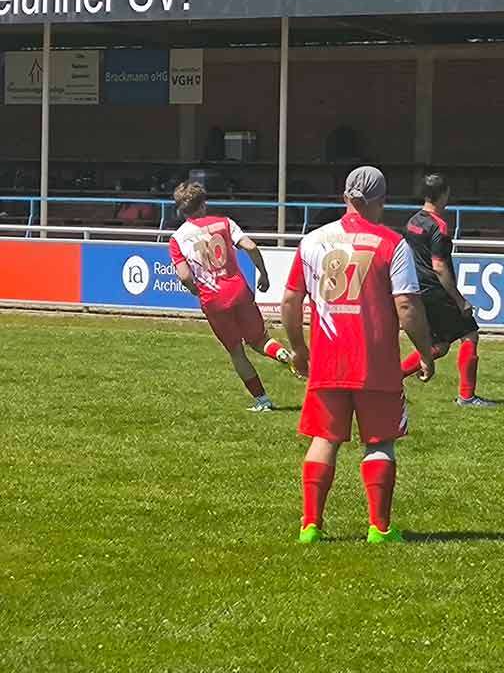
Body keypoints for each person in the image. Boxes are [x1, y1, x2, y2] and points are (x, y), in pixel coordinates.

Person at [281, 166, 437, 544]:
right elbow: (407, 306)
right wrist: (425, 351)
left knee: (324, 439)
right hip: (376, 361)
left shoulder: (313, 241)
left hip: (327, 359)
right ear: (381, 200)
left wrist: (299, 349)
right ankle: (379, 529)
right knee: (380, 442)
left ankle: (310, 526)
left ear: (344, 197)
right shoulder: (392, 244)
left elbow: (290, 300)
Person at [169, 181, 294, 412]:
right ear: (203, 204)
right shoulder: (224, 223)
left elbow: (184, 275)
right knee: (260, 340)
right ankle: (285, 355)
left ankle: (263, 400)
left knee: (236, 351)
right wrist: (263, 273)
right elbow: (251, 246)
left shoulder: (177, 238)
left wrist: (195, 289)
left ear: (181, 209)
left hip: (213, 300)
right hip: (239, 291)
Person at [400, 174, 495, 407]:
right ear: (444, 195)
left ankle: (390, 380)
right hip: (436, 290)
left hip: (418, 288)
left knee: (439, 346)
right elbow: (439, 267)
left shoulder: (412, 221)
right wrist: (460, 300)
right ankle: (467, 397)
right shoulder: (439, 226)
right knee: (469, 333)